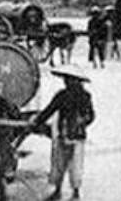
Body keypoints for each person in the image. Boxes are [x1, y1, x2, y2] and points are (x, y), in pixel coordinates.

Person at [31, 65, 95, 201]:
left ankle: (66, 192)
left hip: (69, 134)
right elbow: (91, 115)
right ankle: (67, 191)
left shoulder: (70, 96)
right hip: (71, 134)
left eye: (68, 79)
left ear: (75, 81)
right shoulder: (78, 96)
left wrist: (37, 122)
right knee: (67, 163)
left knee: (66, 163)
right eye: (66, 79)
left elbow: (49, 111)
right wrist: (83, 122)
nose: (66, 82)